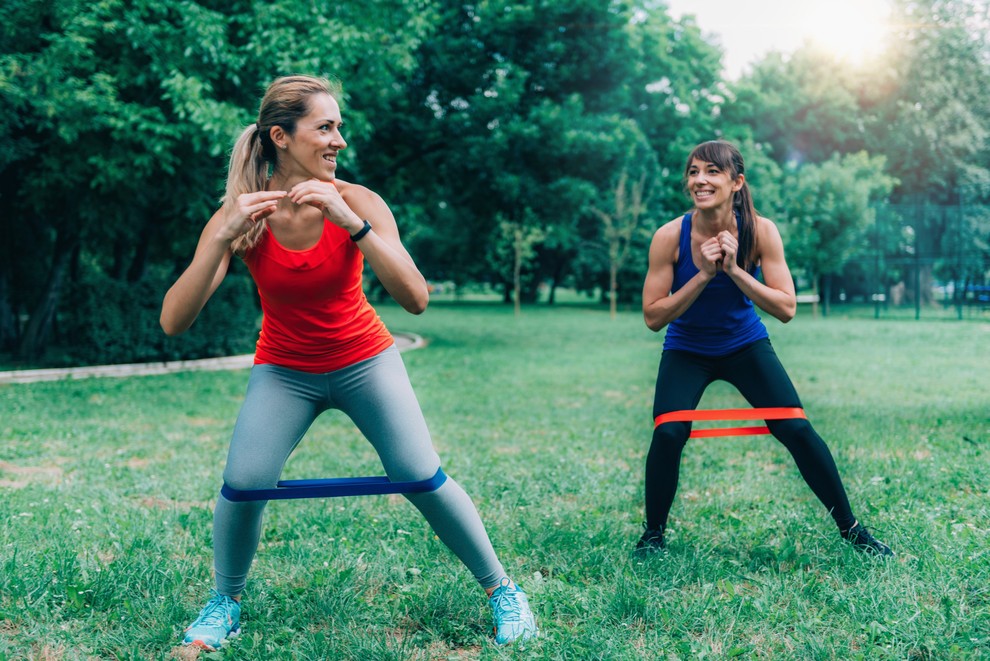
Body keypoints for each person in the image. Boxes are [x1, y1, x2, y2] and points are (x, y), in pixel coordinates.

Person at [160, 75, 537, 651]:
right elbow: (173, 321)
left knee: (420, 474)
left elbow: (416, 298)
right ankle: (226, 603)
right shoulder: (244, 214)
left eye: (339, 127)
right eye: (326, 127)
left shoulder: (358, 201)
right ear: (281, 137)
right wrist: (221, 238)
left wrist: (349, 222)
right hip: (285, 369)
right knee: (243, 484)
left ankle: (503, 591)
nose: (340, 140)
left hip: (365, 359)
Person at [637, 139, 892, 558]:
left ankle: (852, 530)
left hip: (744, 344)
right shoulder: (669, 236)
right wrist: (702, 275)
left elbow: (786, 307)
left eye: (711, 171)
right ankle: (653, 536)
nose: (699, 180)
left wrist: (734, 270)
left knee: (794, 427)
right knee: (669, 431)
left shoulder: (761, 230)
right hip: (687, 348)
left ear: (737, 182)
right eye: (694, 171)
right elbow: (653, 316)